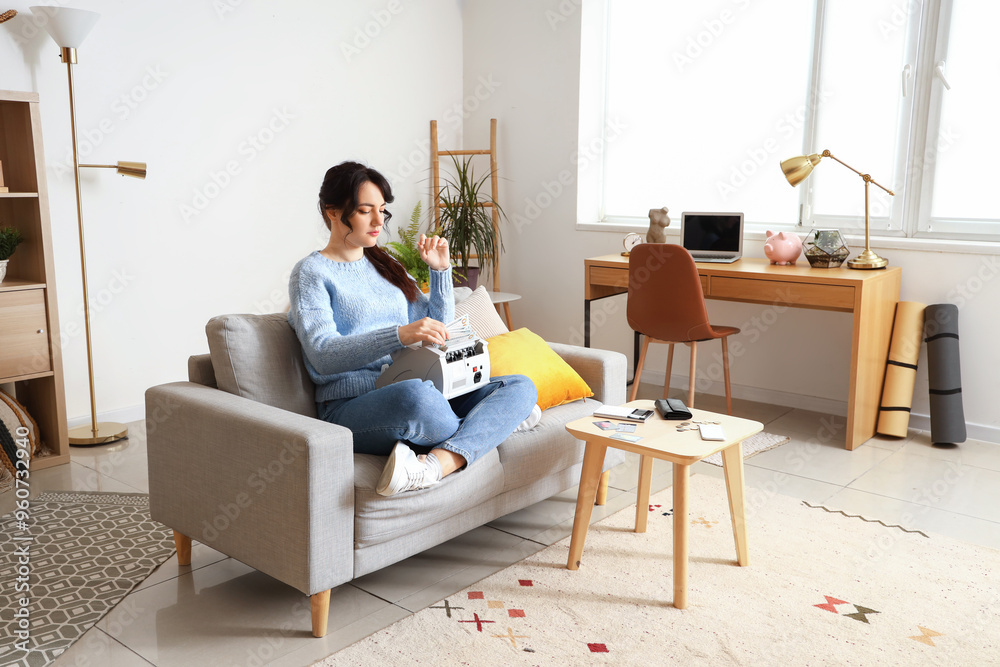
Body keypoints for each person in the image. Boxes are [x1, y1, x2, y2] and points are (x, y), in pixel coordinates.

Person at [287, 161, 537, 496]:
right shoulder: (311, 273)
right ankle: (493, 424)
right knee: (417, 396)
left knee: (520, 387)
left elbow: (439, 328)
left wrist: (440, 272)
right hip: (353, 405)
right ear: (333, 212)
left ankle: (434, 466)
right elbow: (322, 355)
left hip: (418, 387)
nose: (379, 221)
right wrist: (399, 334)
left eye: (382, 210)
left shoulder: (385, 264)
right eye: (365, 211)